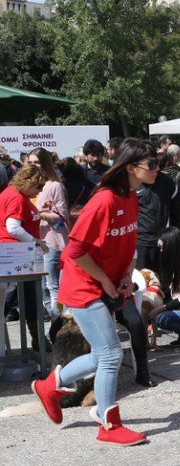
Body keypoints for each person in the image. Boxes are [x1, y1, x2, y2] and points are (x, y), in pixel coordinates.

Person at [31, 138, 157, 446]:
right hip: (84, 286)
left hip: (105, 284)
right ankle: (108, 423)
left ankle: (49, 386)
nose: (157, 169)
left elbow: (128, 241)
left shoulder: (130, 197)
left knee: (103, 355)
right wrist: (105, 281)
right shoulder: (104, 201)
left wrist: (126, 275)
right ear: (131, 167)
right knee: (111, 354)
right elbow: (75, 251)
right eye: (152, 164)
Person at [0, 164, 50, 357]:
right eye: (39, 186)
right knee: (28, 297)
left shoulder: (15, 194)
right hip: (17, 257)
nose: (40, 190)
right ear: (28, 182)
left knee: (24, 297)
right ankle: (38, 340)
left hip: (17, 257)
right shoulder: (16, 197)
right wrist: (35, 241)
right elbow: (13, 227)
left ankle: (38, 339)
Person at [30, 148, 70, 320]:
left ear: (45, 163)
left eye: (37, 162)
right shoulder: (30, 186)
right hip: (35, 241)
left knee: (53, 286)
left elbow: (62, 215)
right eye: (30, 162)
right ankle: (56, 322)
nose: (33, 166)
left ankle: (58, 324)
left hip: (51, 241)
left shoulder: (54, 186)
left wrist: (39, 214)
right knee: (43, 287)